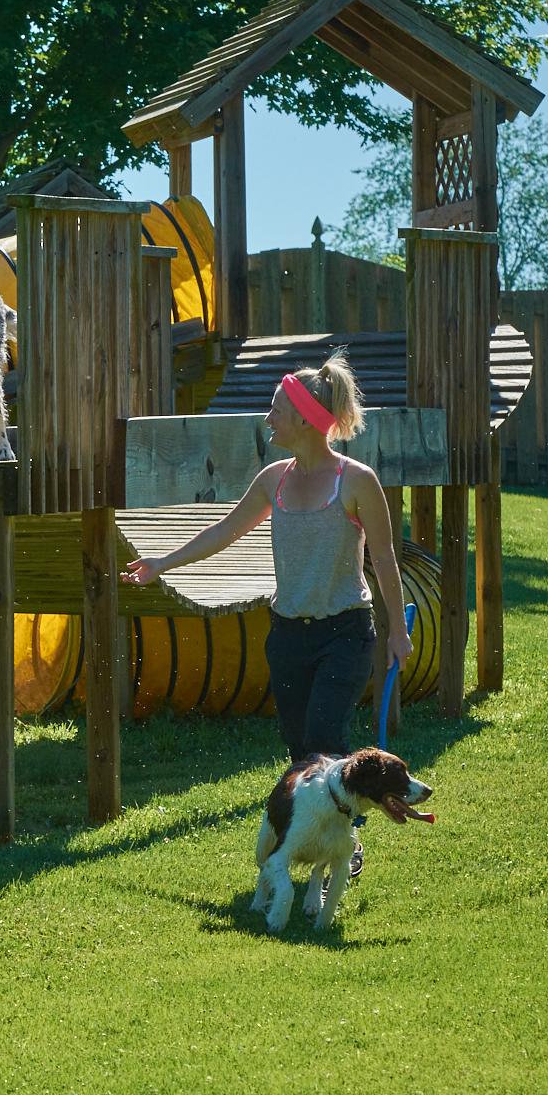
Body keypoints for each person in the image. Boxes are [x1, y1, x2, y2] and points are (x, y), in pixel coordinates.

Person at [122, 350, 412, 877]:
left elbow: (385, 558)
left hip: (345, 633)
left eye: (276, 408)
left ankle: (343, 849)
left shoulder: (356, 480)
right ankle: (319, 842)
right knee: (301, 750)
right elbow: (224, 532)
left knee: (325, 740)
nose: (268, 417)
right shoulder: (273, 478)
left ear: (304, 419)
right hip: (287, 637)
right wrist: (162, 562)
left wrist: (397, 634)